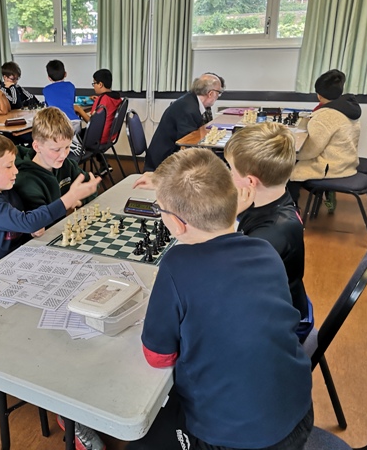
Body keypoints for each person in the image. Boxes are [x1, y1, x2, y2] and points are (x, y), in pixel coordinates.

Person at [130, 148, 313, 450]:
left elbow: (158, 356)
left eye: (159, 209)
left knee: (139, 440)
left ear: (177, 224)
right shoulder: (265, 250)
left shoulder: (177, 264)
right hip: (300, 414)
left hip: (233, 440)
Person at [224, 122, 314, 342]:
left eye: (231, 170)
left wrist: (228, 219)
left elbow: (225, 277)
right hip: (279, 299)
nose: (229, 175)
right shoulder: (273, 196)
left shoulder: (270, 235)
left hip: (282, 327)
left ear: (250, 182)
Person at [0, 132, 100, 272]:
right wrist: (70, 197)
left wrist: (29, 233)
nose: (16, 171)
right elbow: (27, 222)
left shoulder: (4, 188)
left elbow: (18, 223)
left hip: (21, 257)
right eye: (9, 166)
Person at [287, 69, 362, 211]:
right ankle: (320, 196)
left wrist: (292, 155)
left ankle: (291, 209)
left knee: (288, 169)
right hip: (347, 162)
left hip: (331, 167)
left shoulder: (324, 116)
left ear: (319, 95)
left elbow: (310, 151)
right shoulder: (349, 110)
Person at [14, 107, 97, 212]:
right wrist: (70, 201)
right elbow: (44, 217)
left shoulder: (67, 165)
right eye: (56, 150)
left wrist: (79, 201)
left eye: (67, 147)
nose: (64, 155)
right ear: (37, 147)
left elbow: (92, 187)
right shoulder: (26, 181)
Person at [143, 73, 223, 172]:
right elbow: (189, 144)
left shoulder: (191, 101)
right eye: (219, 93)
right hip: (163, 162)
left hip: (170, 153)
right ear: (210, 93)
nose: (218, 96)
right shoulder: (189, 109)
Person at [74, 68, 122, 145]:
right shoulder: (117, 98)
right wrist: (98, 100)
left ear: (100, 84)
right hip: (110, 136)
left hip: (97, 138)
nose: (94, 86)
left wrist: (79, 110)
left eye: (94, 83)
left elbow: (91, 123)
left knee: (70, 135)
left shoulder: (102, 100)